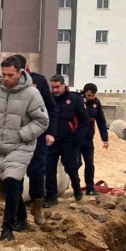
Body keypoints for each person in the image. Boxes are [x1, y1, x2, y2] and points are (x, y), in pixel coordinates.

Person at [0, 56, 49, 241]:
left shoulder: (32, 94)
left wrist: (23, 134)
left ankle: (7, 229)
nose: (5, 78)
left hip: (20, 146)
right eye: (3, 74)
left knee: (13, 181)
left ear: (20, 73)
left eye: (10, 75)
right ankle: (21, 217)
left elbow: (42, 121)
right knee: (8, 183)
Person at [13, 54, 57, 225]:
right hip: (14, 137)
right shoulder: (5, 87)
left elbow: (51, 108)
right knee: (14, 175)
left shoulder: (38, 81)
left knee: (37, 173)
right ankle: (19, 215)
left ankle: (37, 206)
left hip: (36, 136)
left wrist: (51, 132)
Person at [45, 74, 89, 205]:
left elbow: (84, 121)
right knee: (49, 169)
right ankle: (51, 197)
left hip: (70, 141)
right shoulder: (49, 99)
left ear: (64, 85)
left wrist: (78, 140)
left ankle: (77, 189)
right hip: (52, 140)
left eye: (57, 87)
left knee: (70, 167)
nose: (55, 90)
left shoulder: (75, 99)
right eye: (53, 87)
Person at [79, 83, 109, 195]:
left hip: (88, 138)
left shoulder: (96, 103)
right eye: (89, 95)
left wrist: (105, 139)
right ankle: (75, 187)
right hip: (76, 138)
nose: (91, 98)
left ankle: (90, 188)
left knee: (90, 164)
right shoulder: (78, 101)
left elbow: (101, 121)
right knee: (76, 163)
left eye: (93, 95)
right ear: (84, 92)